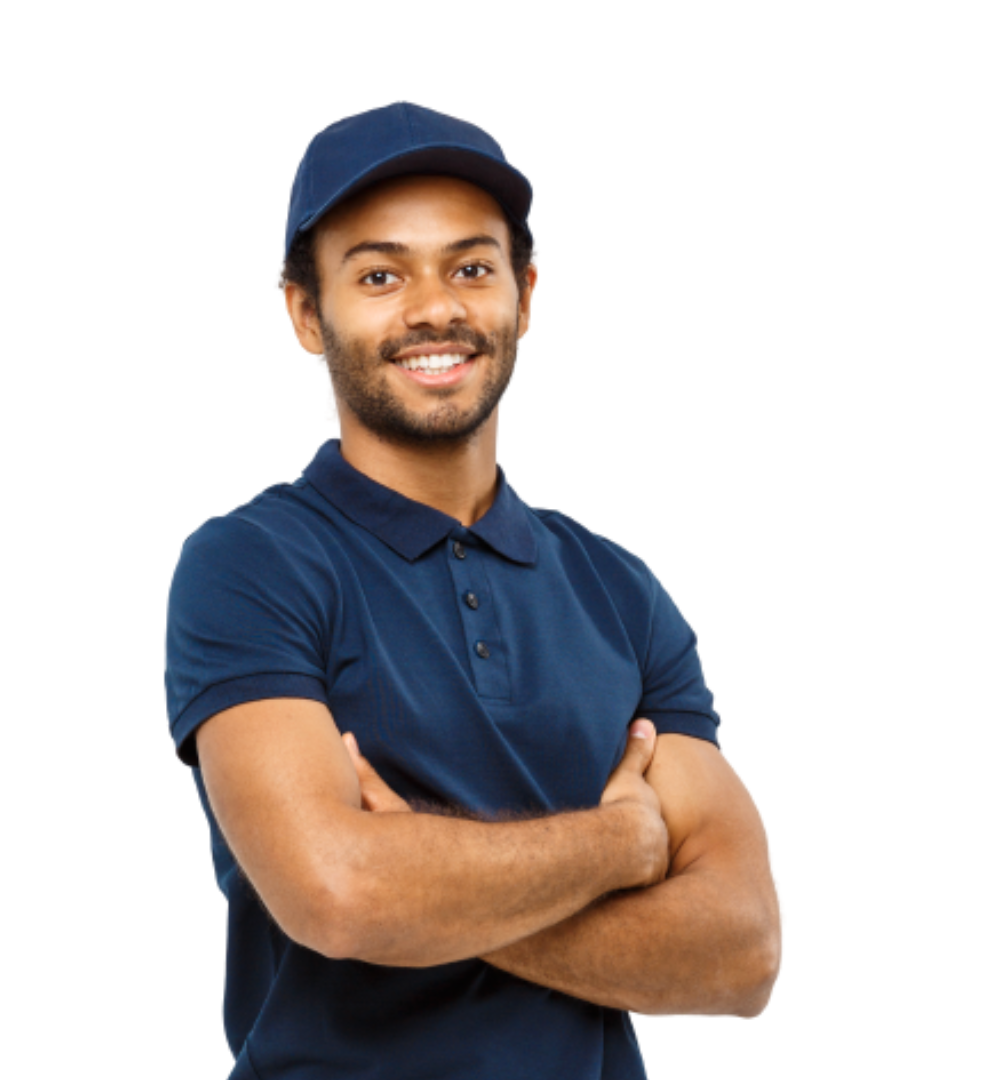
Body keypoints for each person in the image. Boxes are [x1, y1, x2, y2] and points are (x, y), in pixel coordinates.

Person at [163, 100, 784, 1080]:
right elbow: (337, 893)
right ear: (304, 315)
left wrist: (423, 884)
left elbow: (743, 954)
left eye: (470, 268)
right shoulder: (248, 563)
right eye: (379, 274)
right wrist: (623, 846)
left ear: (526, 295)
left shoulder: (622, 590)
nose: (434, 309)